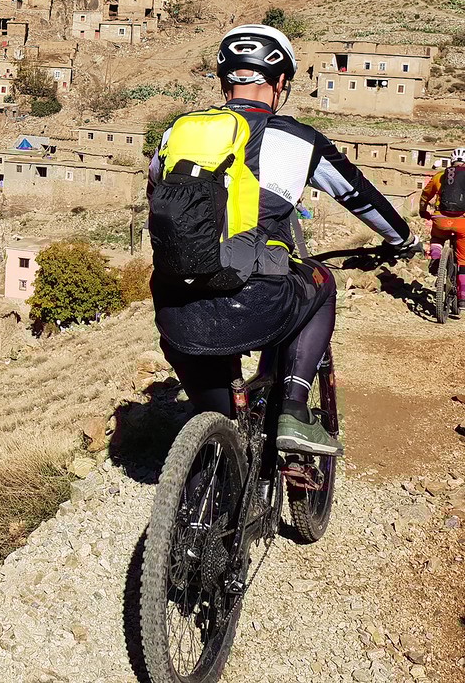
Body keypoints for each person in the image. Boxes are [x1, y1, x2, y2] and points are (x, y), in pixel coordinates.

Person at [147, 24, 420, 456]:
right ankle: (293, 406)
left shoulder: (177, 133)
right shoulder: (300, 139)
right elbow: (359, 197)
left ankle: (212, 459)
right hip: (260, 301)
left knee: (220, 430)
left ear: (225, 81)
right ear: (280, 84)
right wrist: (401, 238)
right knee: (322, 283)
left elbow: (158, 196)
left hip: (178, 311)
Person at [419, 148, 465, 317]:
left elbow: (425, 195)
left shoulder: (440, 176)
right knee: (463, 260)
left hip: (441, 220)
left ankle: (437, 258)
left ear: (451, 161)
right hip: (462, 223)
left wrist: (422, 210)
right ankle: (462, 298)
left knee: (437, 237)